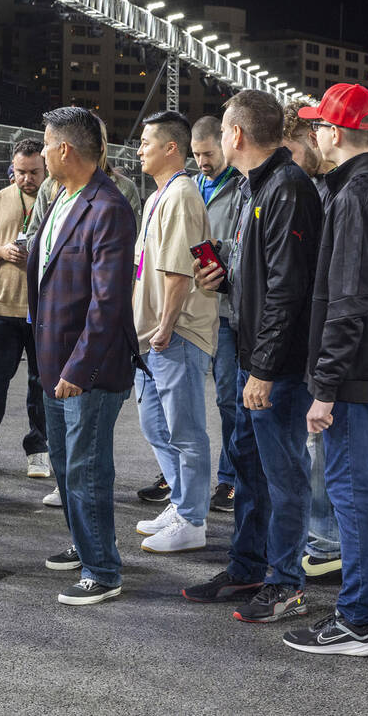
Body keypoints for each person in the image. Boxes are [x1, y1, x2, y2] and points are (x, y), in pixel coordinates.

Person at [282, 83, 368, 656]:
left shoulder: (355, 194)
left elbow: (348, 300)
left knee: (352, 494)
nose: (314, 133)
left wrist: (326, 385)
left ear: (334, 133)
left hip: (356, 375)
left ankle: (357, 619)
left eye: (318, 126)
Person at [181, 90, 321, 625]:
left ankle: (286, 584)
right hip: (249, 352)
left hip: (274, 365)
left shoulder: (288, 188)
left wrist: (263, 368)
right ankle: (248, 568)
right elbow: (262, 277)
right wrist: (223, 277)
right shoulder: (250, 187)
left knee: (283, 475)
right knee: (248, 468)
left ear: (235, 136)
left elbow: (290, 289)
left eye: (221, 133)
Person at [30, 106, 138, 605]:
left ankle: (103, 569)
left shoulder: (108, 207)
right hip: (54, 360)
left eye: (47, 144)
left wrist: (79, 368)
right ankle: (84, 543)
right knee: (66, 463)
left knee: (87, 467)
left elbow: (108, 301)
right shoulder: (61, 197)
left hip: (86, 368)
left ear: (65, 150)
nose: (43, 151)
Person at [131, 111, 218, 555]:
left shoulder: (181, 194)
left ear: (171, 148)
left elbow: (178, 271)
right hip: (152, 334)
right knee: (154, 422)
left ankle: (192, 519)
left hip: (176, 330)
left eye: (147, 142)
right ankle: (182, 501)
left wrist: (165, 325)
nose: (139, 148)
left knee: (185, 429)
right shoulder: (157, 197)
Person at [280, 103, 341, 579]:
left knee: (321, 445)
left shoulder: (330, 189)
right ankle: (317, 536)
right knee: (308, 445)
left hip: (322, 343)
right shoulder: (304, 185)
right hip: (308, 338)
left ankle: (327, 541)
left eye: (290, 150)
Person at [0, 138, 51, 479]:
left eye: (34, 172)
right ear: (11, 170)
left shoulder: (58, 199)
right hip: (4, 307)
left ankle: (39, 448)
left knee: (40, 383)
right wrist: (2, 251)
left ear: (45, 169)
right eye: (21, 172)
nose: (28, 179)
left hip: (44, 311)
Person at [190, 115, 244, 514]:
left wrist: (219, 252)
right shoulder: (190, 185)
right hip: (192, 306)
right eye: (196, 155)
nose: (202, 161)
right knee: (181, 396)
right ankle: (176, 474)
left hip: (225, 308)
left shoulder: (243, 188)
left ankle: (230, 479)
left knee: (229, 398)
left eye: (208, 153)